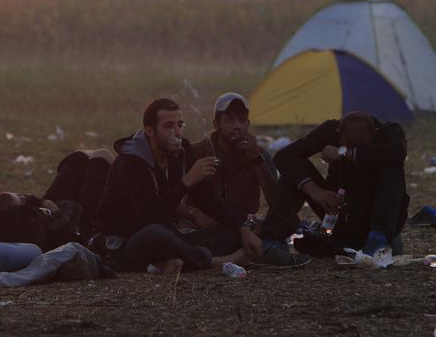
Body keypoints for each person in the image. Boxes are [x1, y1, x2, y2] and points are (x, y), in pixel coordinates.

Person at [96, 98, 263, 275]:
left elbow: (208, 199)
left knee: (235, 231)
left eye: (179, 125)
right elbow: (149, 215)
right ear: (150, 131)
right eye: (168, 126)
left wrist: (242, 227)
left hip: (170, 237)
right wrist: (186, 182)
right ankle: (214, 261)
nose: (176, 132)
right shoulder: (131, 161)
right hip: (127, 243)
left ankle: (175, 261)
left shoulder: (181, 151)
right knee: (156, 233)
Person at [258, 111, 409, 265]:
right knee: (294, 171)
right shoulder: (331, 131)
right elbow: (284, 156)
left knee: (391, 167)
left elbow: (398, 152)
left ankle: (377, 239)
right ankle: (273, 239)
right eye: (347, 143)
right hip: (337, 210)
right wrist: (316, 192)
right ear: (339, 134)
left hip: (377, 220)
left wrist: (343, 153)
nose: (350, 147)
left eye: (359, 145)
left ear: (374, 134)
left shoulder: (389, 133)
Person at [186, 93, 278, 228]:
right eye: (230, 120)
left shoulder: (259, 154)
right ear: (217, 124)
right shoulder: (197, 152)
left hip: (242, 224)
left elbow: (277, 203)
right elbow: (173, 200)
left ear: (248, 124)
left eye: (242, 120)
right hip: (202, 224)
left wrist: (257, 160)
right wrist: (195, 214)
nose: (237, 126)